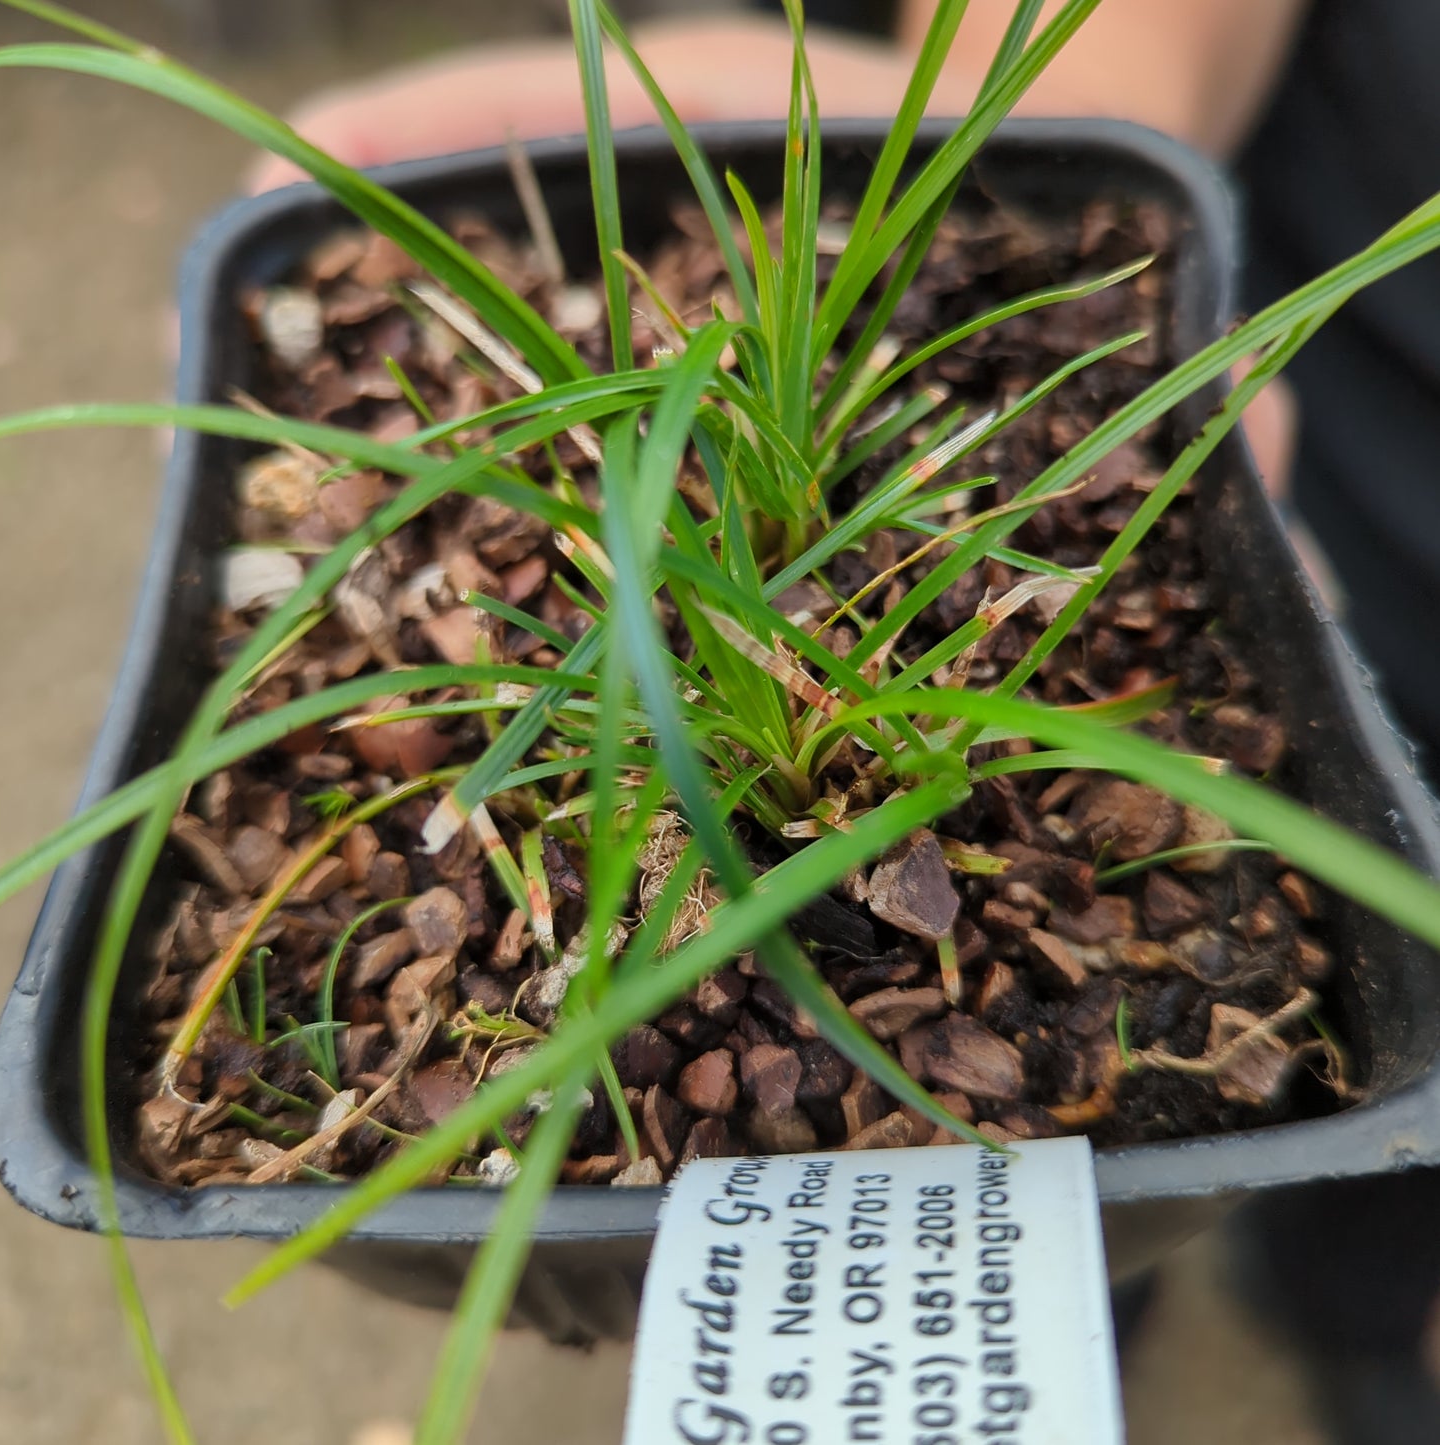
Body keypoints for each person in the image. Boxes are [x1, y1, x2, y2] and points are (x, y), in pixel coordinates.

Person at [251, 5, 1440, 1441]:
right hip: (1363, 389)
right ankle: (1056, 1345)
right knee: (1102, 1160)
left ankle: (1354, 1313)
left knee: (1353, 1092)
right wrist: (1080, 124)